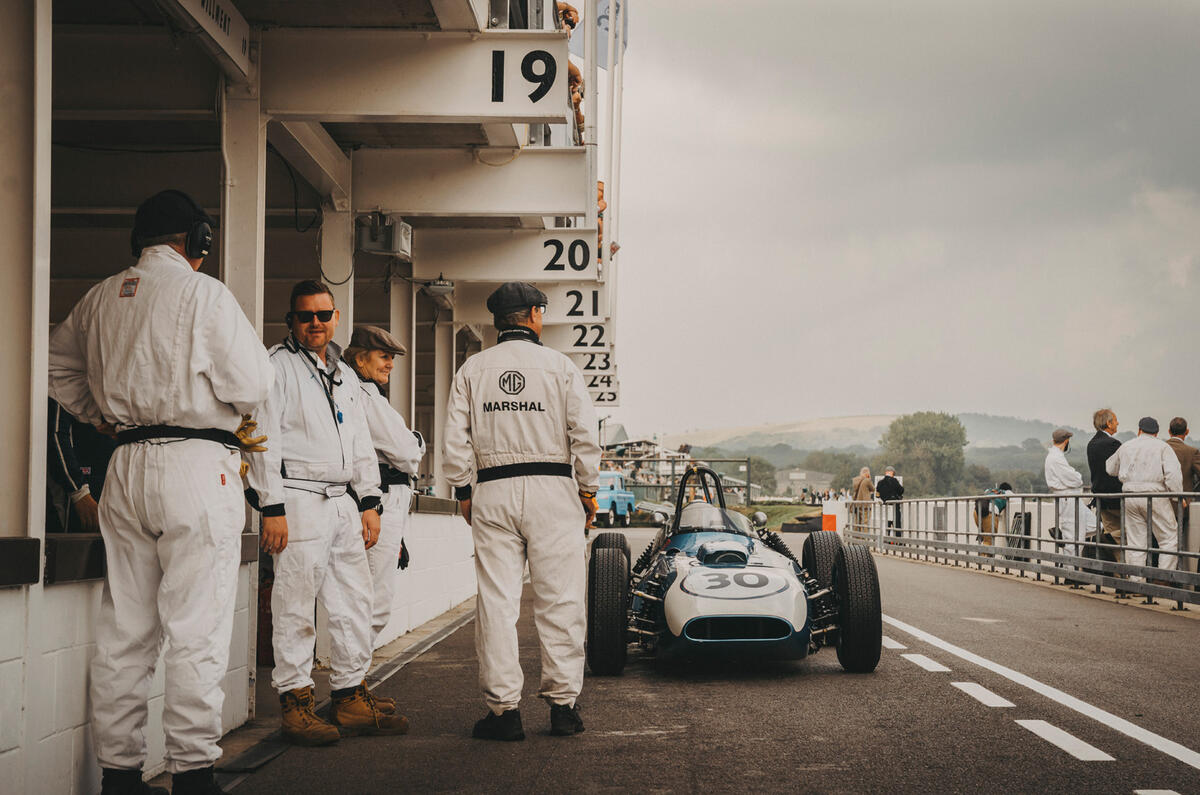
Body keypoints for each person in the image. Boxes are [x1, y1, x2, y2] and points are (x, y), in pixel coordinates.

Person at [47, 190, 274, 795]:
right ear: (196, 240)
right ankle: (192, 772)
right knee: (195, 628)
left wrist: (99, 412)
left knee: (126, 631)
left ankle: (120, 776)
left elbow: (53, 364)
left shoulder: (100, 297)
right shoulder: (204, 292)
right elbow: (252, 384)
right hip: (197, 462)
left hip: (123, 467)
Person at [245, 280, 407, 746]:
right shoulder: (275, 367)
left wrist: (370, 501)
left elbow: (359, 441)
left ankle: (349, 695)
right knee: (295, 604)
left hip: (341, 501)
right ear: (290, 321)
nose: (315, 323)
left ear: (335, 317)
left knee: (354, 600)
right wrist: (270, 505)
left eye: (322, 315)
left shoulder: (345, 374)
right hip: (295, 495)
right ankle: (295, 703)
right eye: (305, 316)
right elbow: (262, 437)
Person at [444, 282, 601, 741]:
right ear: (533, 314)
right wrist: (587, 490)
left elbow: (456, 441)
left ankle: (503, 713)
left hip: (493, 488)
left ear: (498, 320)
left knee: (496, 602)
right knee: (562, 599)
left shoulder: (472, 369)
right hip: (554, 487)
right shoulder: (560, 367)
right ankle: (563, 707)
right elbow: (585, 435)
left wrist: (463, 491)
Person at [342, 325, 427, 647]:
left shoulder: (366, 393)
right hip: (382, 498)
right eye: (384, 356)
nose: (390, 363)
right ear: (361, 360)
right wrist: (417, 441)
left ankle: (355, 685)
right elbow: (406, 453)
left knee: (370, 599)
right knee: (374, 602)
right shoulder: (366, 396)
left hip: (386, 500)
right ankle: (351, 687)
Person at [1105, 417, 1183, 582]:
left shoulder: (1127, 446)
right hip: (1155, 493)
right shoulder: (1163, 447)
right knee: (1168, 536)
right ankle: (1163, 579)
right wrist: (1177, 496)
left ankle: (1136, 581)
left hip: (1130, 495)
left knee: (1135, 540)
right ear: (1156, 432)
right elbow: (1173, 475)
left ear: (1139, 430)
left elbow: (1110, 468)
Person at [46, 397, 116, 534]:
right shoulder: (64, 384)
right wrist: (79, 492)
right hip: (79, 489)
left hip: (114, 484)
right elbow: (56, 436)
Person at [1044, 429, 1093, 559]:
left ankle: (1064, 539)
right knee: (1073, 536)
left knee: (1094, 526)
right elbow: (1076, 479)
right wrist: (1077, 476)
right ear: (1066, 441)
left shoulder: (1055, 456)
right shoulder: (1056, 458)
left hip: (1070, 497)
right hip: (1068, 498)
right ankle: (1069, 573)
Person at [1087, 408, 1124, 560]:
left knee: (1114, 538)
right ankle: (1107, 538)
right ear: (1108, 423)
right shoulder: (1113, 444)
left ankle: (1119, 574)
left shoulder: (1091, 443)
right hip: (1116, 497)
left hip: (1101, 498)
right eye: (1115, 420)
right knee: (1130, 532)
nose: (1117, 423)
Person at [1165, 417, 1200, 552]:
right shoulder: (1192, 452)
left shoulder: (1160, 448)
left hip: (1157, 504)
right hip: (1181, 507)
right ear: (1187, 432)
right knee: (1177, 543)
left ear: (1169, 431)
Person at [875, 465, 904, 536]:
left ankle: (886, 540)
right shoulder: (894, 481)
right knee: (897, 525)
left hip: (885, 506)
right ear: (892, 472)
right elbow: (901, 490)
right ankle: (898, 542)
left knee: (887, 525)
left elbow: (877, 495)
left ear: (886, 472)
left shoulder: (880, 483)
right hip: (895, 506)